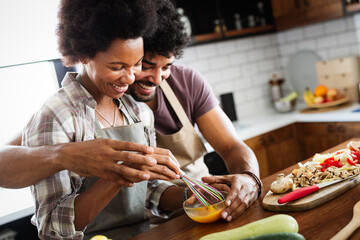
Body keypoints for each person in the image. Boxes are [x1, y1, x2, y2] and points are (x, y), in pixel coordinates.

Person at [0, 0, 260, 224]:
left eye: (137, 64)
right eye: (145, 65)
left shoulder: (142, 106)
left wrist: (244, 181)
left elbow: (150, 189)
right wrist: (67, 156)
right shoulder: (62, 114)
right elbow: (11, 163)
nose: (156, 78)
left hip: (186, 212)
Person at [21, 0, 183, 239]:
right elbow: (52, 226)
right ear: (84, 55)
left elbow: (149, 191)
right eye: (117, 67)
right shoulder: (56, 117)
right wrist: (120, 176)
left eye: (137, 63)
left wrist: (193, 195)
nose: (129, 78)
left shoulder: (136, 111)